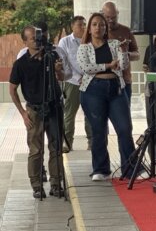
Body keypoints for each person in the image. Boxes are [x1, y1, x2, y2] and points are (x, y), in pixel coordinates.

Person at [76, 13, 137, 181]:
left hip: (116, 88)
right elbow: (86, 68)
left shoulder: (114, 44)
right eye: (95, 24)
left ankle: (130, 169)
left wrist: (123, 52)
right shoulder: (84, 48)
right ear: (89, 28)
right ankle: (101, 169)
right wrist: (108, 65)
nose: (98, 28)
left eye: (102, 25)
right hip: (93, 90)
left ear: (106, 28)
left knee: (125, 128)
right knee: (99, 130)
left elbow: (123, 65)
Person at [8, 26, 66, 198]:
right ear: (25, 42)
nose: (37, 40)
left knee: (56, 147)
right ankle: (36, 185)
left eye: (39, 37)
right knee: (35, 150)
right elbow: (12, 89)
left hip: (54, 107)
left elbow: (62, 78)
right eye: (33, 38)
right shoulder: (20, 63)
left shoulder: (51, 56)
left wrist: (58, 70)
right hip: (34, 110)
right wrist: (23, 113)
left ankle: (56, 183)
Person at [56, 15, 91, 153]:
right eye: (80, 25)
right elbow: (64, 63)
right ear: (72, 26)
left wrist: (87, 77)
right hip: (72, 82)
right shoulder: (65, 41)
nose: (83, 27)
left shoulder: (90, 40)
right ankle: (67, 143)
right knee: (69, 114)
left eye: (84, 24)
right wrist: (78, 77)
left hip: (90, 82)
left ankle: (92, 142)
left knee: (90, 114)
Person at [101, 1, 139, 98]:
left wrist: (125, 54)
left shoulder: (126, 30)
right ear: (102, 15)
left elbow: (137, 55)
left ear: (118, 14)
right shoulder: (97, 32)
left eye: (113, 17)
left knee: (124, 107)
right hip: (102, 81)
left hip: (124, 81)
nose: (110, 20)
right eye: (107, 17)